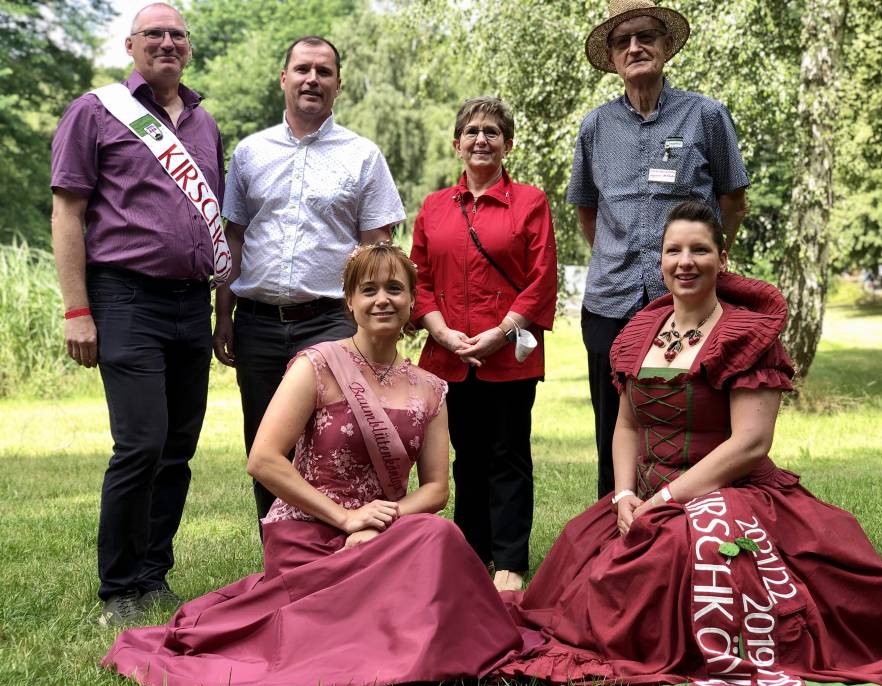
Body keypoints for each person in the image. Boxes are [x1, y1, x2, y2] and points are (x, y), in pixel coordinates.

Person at [495, 202, 882, 686]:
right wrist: (626, 494)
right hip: (645, 495)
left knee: (668, 560)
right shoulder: (639, 332)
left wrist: (667, 500)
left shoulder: (744, 335)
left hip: (731, 493)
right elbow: (627, 425)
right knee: (581, 563)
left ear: (723, 257)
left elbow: (750, 444)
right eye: (674, 250)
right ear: (660, 260)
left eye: (699, 249)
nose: (685, 261)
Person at [102, 243, 525, 686]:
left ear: (412, 300)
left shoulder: (431, 388)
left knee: (441, 536)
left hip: (383, 536)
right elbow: (262, 459)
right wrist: (346, 519)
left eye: (395, 289)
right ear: (349, 302)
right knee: (432, 554)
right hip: (309, 534)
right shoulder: (317, 365)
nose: (383, 299)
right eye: (369, 289)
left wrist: (380, 523)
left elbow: (437, 489)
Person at [50, 3, 225, 626]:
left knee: (178, 446)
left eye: (178, 34)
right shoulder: (95, 111)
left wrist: (221, 310)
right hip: (124, 298)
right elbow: (68, 213)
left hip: (189, 303)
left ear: (189, 48)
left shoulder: (205, 124)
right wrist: (77, 311)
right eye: (155, 33)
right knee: (141, 443)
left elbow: (216, 221)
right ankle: (118, 588)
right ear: (131, 45)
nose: (167, 42)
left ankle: (153, 577)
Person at [214, 35, 406, 524]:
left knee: (336, 443)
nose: (312, 79)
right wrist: (222, 315)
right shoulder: (250, 153)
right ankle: (279, 554)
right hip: (257, 324)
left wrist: (377, 329)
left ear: (338, 85)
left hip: (331, 325)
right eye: (302, 69)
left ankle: (340, 556)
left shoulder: (363, 156)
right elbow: (231, 239)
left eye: (324, 72)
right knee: (265, 444)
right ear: (284, 78)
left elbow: (377, 254)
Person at [570, 1, 751, 498]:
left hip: (689, 300)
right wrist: (615, 254)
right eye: (622, 40)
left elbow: (733, 199)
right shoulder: (595, 127)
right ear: (611, 55)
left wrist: (710, 258)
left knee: (692, 417)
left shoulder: (706, 115)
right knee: (613, 427)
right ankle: (612, 529)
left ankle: (691, 528)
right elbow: (588, 210)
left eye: (646, 35)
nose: (635, 47)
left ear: (666, 45)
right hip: (611, 302)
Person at [410, 97, 558, 592]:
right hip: (448, 356)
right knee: (465, 458)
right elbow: (419, 279)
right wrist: (442, 333)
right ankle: (474, 554)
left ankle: (511, 561)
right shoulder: (432, 208)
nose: (481, 139)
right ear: (457, 144)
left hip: (508, 355)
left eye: (492, 132)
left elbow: (541, 280)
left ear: (507, 144)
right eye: (471, 131)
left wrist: (499, 333)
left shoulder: (531, 203)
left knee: (508, 456)